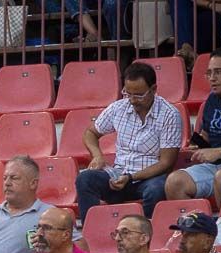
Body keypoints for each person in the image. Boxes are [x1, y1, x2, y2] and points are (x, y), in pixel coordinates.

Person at [76, 62, 181, 221]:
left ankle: (146, 230)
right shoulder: (118, 108)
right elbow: (90, 133)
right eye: (127, 93)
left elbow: (166, 163)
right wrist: (97, 155)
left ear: (153, 89)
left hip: (150, 177)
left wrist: (131, 177)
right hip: (119, 174)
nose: (132, 100)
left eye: (138, 95)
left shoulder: (170, 114)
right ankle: (90, 229)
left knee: (156, 189)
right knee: (85, 179)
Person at [168, 48, 221, 202]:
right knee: (175, 182)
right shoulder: (212, 100)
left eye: (219, 72)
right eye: (209, 73)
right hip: (214, 166)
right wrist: (198, 144)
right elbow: (207, 135)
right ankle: (195, 218)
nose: (212, 78)